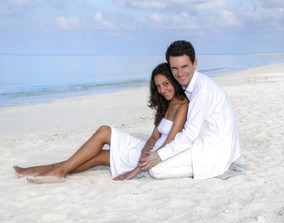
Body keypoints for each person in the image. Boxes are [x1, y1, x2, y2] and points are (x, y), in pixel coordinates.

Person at [13, 63, 189, 183]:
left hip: (155, 157)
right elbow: (154, 136)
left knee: (102, 140)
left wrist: (136, 169)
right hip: (145, 150)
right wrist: (144, 149)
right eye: (158, 86)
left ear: (173, 81)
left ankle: (53, 171)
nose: (162, 90)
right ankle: (44, 170)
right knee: (94, 151)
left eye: (166, 84)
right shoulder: (168, 104)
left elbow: (168, 143)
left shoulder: (183, 106)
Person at [139, 40, 240, 180]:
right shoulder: (192, 84)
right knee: (162, 157)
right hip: (206, 141)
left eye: (184, 66)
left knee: (156, 170)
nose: (180, 73)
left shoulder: (202, 91)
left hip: (213, 147)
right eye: (174, 68)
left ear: (195, 63)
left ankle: (224, 165)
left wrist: (159, 155)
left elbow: (190, 135)